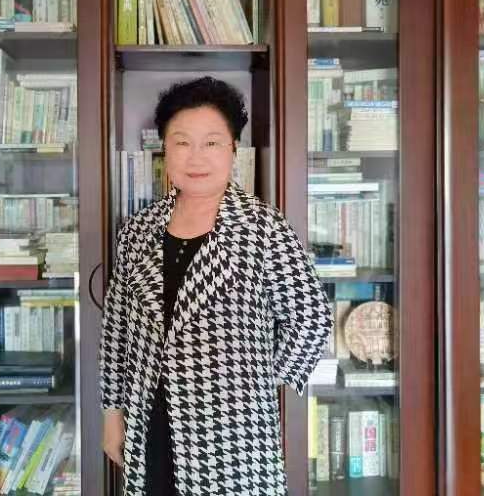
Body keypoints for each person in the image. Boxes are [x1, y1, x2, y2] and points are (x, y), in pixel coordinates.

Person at [98, 76, 333, 495]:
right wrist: (112, 414)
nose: (196, 156)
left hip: (232, 433)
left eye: (211, 142)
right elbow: (116, 330)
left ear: (233, 149)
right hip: (149, 422)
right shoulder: (138, 230)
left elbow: (311, 318)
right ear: (165, 149)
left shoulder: (262, 227)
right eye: (182, 142)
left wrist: (254, 383)